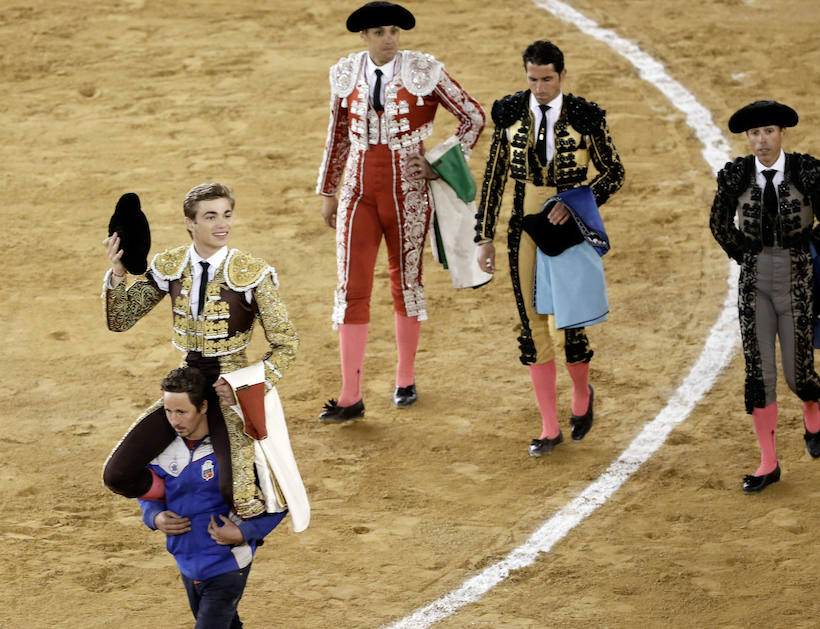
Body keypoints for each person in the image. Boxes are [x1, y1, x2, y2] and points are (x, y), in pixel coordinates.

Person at [315, 1, 485, 421]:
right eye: (379, 32)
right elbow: (337, 134)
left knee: (406, 281)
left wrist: (439, 164)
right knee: (351, 287)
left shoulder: (424, 71)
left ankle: (405, 378)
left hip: (408, 188)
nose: (389, 38)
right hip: (358, 190)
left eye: (393, 30)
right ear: (364, 37)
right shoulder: (345, 73)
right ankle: (350, 395)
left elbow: (474, 117)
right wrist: (328, 190)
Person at [102, 182, 300, 518]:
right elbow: (121, 320)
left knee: (240, 497)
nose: (222, 224)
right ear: (190, 223)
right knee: (117, 474)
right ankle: (175, 498)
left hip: (231, 389)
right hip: (185, 387)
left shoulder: (253, 273)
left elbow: (286, 344)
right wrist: (118, 274)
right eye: (210, 216)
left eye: (226, 215)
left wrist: (251, 382)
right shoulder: (171, 265)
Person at [474, 40, 625, 456]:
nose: (539, 88)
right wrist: (484, 235)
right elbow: (494, 177)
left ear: (561, 75)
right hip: (523, 227)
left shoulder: (584, 116)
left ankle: (581, 394)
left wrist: (574, 204)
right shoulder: (508, 112)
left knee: (570, 324)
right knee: (532, 323)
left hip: (568, 228)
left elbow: (614, 172)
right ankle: (548, 426)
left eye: (547, 80)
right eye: (532, 80)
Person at [709, 100, 820, 493]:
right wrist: (744, 255)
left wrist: (807, 250)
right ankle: (768, 463)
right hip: (755, 284)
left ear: (781, 133)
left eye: (768, 131)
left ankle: (811, 404)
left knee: (797, 372)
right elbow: (718, 224)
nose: (761, 140)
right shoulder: (736, 176)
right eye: (754, 133)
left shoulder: (808, 172)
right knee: (760, 375)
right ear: (747, 138)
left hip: (797, 280)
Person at [139, 366, 286, 628]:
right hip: (186, 562)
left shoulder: (236, 450)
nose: (174, 421)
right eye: (168, 411)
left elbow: (281, 501)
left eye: (182, 412)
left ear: (203, 407)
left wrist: (245, 533)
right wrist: (155, 516)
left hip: (227, 563)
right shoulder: (163, 448)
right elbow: (149, 491)